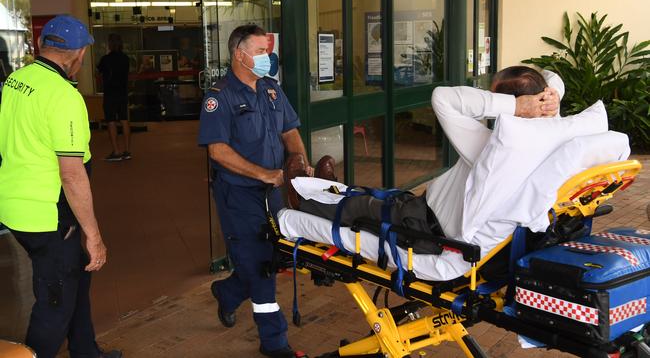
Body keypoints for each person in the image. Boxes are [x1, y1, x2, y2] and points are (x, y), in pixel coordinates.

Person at [285, 66, 562, 266]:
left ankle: (303, 200)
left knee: (363, 207)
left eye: (494, 97)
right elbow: (553, 76)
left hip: (423, 227)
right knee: (374, 196)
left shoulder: (492, 147)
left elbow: (443, 97)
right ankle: (328, 189)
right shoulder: (550, 136)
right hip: (425, 215)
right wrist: (550, 99)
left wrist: (512, 106)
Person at [0, 15, 121, 358]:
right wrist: (93, 234)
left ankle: (86, 351)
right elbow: (71, 175)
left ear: (42, 45)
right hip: (48, 217)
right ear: (79, 54)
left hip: (14, 205)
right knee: (55, 303)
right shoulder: (65, 98)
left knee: (75, 279)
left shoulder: (16, 81)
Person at [197, 24, 314, 358]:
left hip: (272, 193)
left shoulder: (271, 90)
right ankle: (274, 342)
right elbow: (217, 151)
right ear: (240, 54)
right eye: (262, 51)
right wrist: (264, 173)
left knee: (270, 257)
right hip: (238, 195)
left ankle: (228, 292)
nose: (268, 57)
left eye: (268, 51)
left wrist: (299, 165)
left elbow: (290, 130)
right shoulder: (220, 98)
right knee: (261, 268)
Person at [97, 33, 131, 161]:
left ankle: (116, 152)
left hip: (110, 94)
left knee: (111, 121)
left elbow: (99, 73)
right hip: (122, 93)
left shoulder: (105, 59)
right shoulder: (126, 58)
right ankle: (127, 151)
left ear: (109, 44)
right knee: (124, 120)